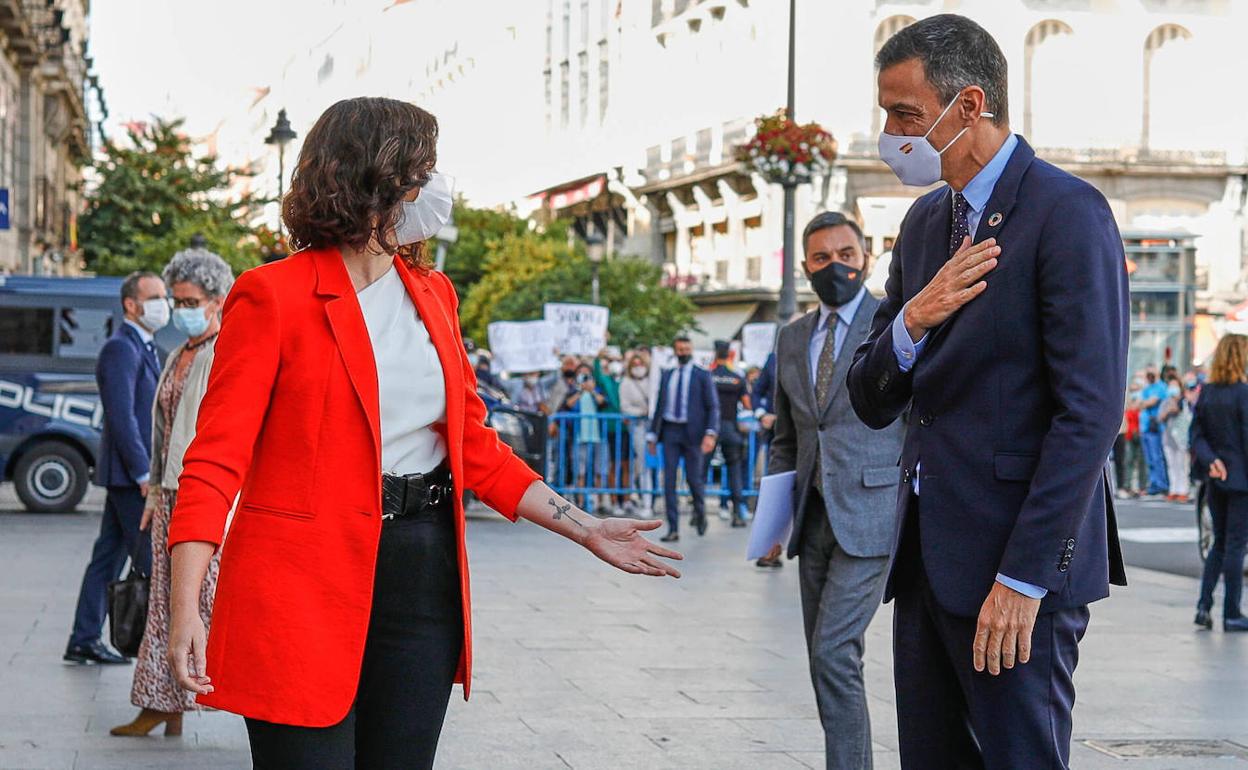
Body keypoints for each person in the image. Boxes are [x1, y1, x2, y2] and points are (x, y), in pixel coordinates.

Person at [164, 98, 682, 769]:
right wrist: (184, 606)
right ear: (376, 177)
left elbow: (475, 446)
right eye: (423, 170)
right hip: (301, 581)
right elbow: (214, 461)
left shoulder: (434, 294)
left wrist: (586, 528)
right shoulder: (272, 295)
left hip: (420, 569)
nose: (435, 187)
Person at [847, 16, 1128, 769]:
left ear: (968, 105)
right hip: (927, 566)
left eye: (905, 114)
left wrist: (1024, 577)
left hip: (1015, 571)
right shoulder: (924, 223)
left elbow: (1090, 412)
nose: (890, 135)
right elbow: (870, 395)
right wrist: (914, 317)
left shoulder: (1067, 211)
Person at [768, 211, 906, 769]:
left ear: (866, 258)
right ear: (806, 268)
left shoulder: (894, 322)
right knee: (825, 659)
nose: (835, 267)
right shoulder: (791, 337)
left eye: (846, 255)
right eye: (822, 258)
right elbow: (787, 438)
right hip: (812, 519)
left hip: (872, 514)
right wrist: (773, 524)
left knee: (833, 652)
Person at [111, 248, 233, 737]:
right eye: (177, 300)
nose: (181, 310)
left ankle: (222, 694)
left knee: (206, 601)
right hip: (170, 494)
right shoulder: (179, 354)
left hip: (203, 496)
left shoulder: (221, 353)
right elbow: (163, 430)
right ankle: (164, 703)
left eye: (190, 301)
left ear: (217, 301)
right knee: (165, 604)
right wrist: (154, 496)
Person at [64, 271, 168, 665]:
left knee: (107, 557)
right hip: (130, 477)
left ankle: (84, 638)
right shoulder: (120, 348)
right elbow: (122, 417)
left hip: (131, 476)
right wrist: (143, 474)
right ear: (131, 304)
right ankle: (147, 644)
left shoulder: (145, 347)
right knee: (149, 561)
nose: (164, 305)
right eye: (155, 297)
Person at [1190, 334, 1248, 632]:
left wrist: (1211, 459)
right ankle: (1232, 613)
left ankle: (1204, 605)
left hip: (1215, 478)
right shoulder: (1243, 393)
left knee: (1219, 543)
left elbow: (1196, 434)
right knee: (1236, 546)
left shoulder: (1208, 392)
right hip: (1242, 479)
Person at [647, 335, 718, 542]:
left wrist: (710, 433)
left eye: (687, 349)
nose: (683, 353)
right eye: (680, 349)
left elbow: (713, 406)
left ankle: (700, 512)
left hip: (693, 433)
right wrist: (652, 434)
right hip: (670, 431)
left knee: (694, 479)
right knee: (669, 480)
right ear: (675, 351)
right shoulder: (668, 374)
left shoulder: (702, 375)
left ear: (691, 350)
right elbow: (660, 405)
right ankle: (673, 528)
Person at [709, 340, 750, 527]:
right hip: (731, 428)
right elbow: (747, 403)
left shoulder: (709, 376)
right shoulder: (736, 377)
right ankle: (737, 514)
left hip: (710, 429)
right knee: (734, 470)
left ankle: (698, 513)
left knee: (699, 470)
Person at [752, 349, 783, 569]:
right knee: (776, 492)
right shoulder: (774, 357)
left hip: (819, 438)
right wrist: (762, 414)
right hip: (780, 437)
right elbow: (757, 392)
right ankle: (770, 550)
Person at [620, 352, 655, 517]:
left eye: (640, 364)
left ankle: (651, 499)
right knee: (643, 465)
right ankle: (646, 502)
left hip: (654, 427)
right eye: (634, 364)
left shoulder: (652, 381)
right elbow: (625, 407)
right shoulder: (626, 383)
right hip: (638, 427)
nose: (638, 367)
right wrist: (641, 411)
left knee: (655, 465)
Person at [1159, 373, 1193, 503]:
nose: (1172, 389)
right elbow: (1160, 417)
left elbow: (1181, 411)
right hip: (1168, 438)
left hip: (1182, 438)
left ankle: (1183, 491)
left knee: (1182, 466)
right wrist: (1167, 410)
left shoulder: (1185, 401)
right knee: (1171, 466)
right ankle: (1173, 490)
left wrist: (1175, 404)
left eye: (1175, 386)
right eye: (1171, 386)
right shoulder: (1166, 402)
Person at [1139, 365, 1171, 496]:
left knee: (1157, 457)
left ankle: (1161, 484)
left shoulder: (1161, 387)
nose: (1150, 375)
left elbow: (1150, 402)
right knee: (1150, 459)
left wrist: (1144, 403)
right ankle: (1153, 483)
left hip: (1155, 428)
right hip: (1145, 427)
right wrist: (1144, 403)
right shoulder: (1147, 388)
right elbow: (1138, 403)